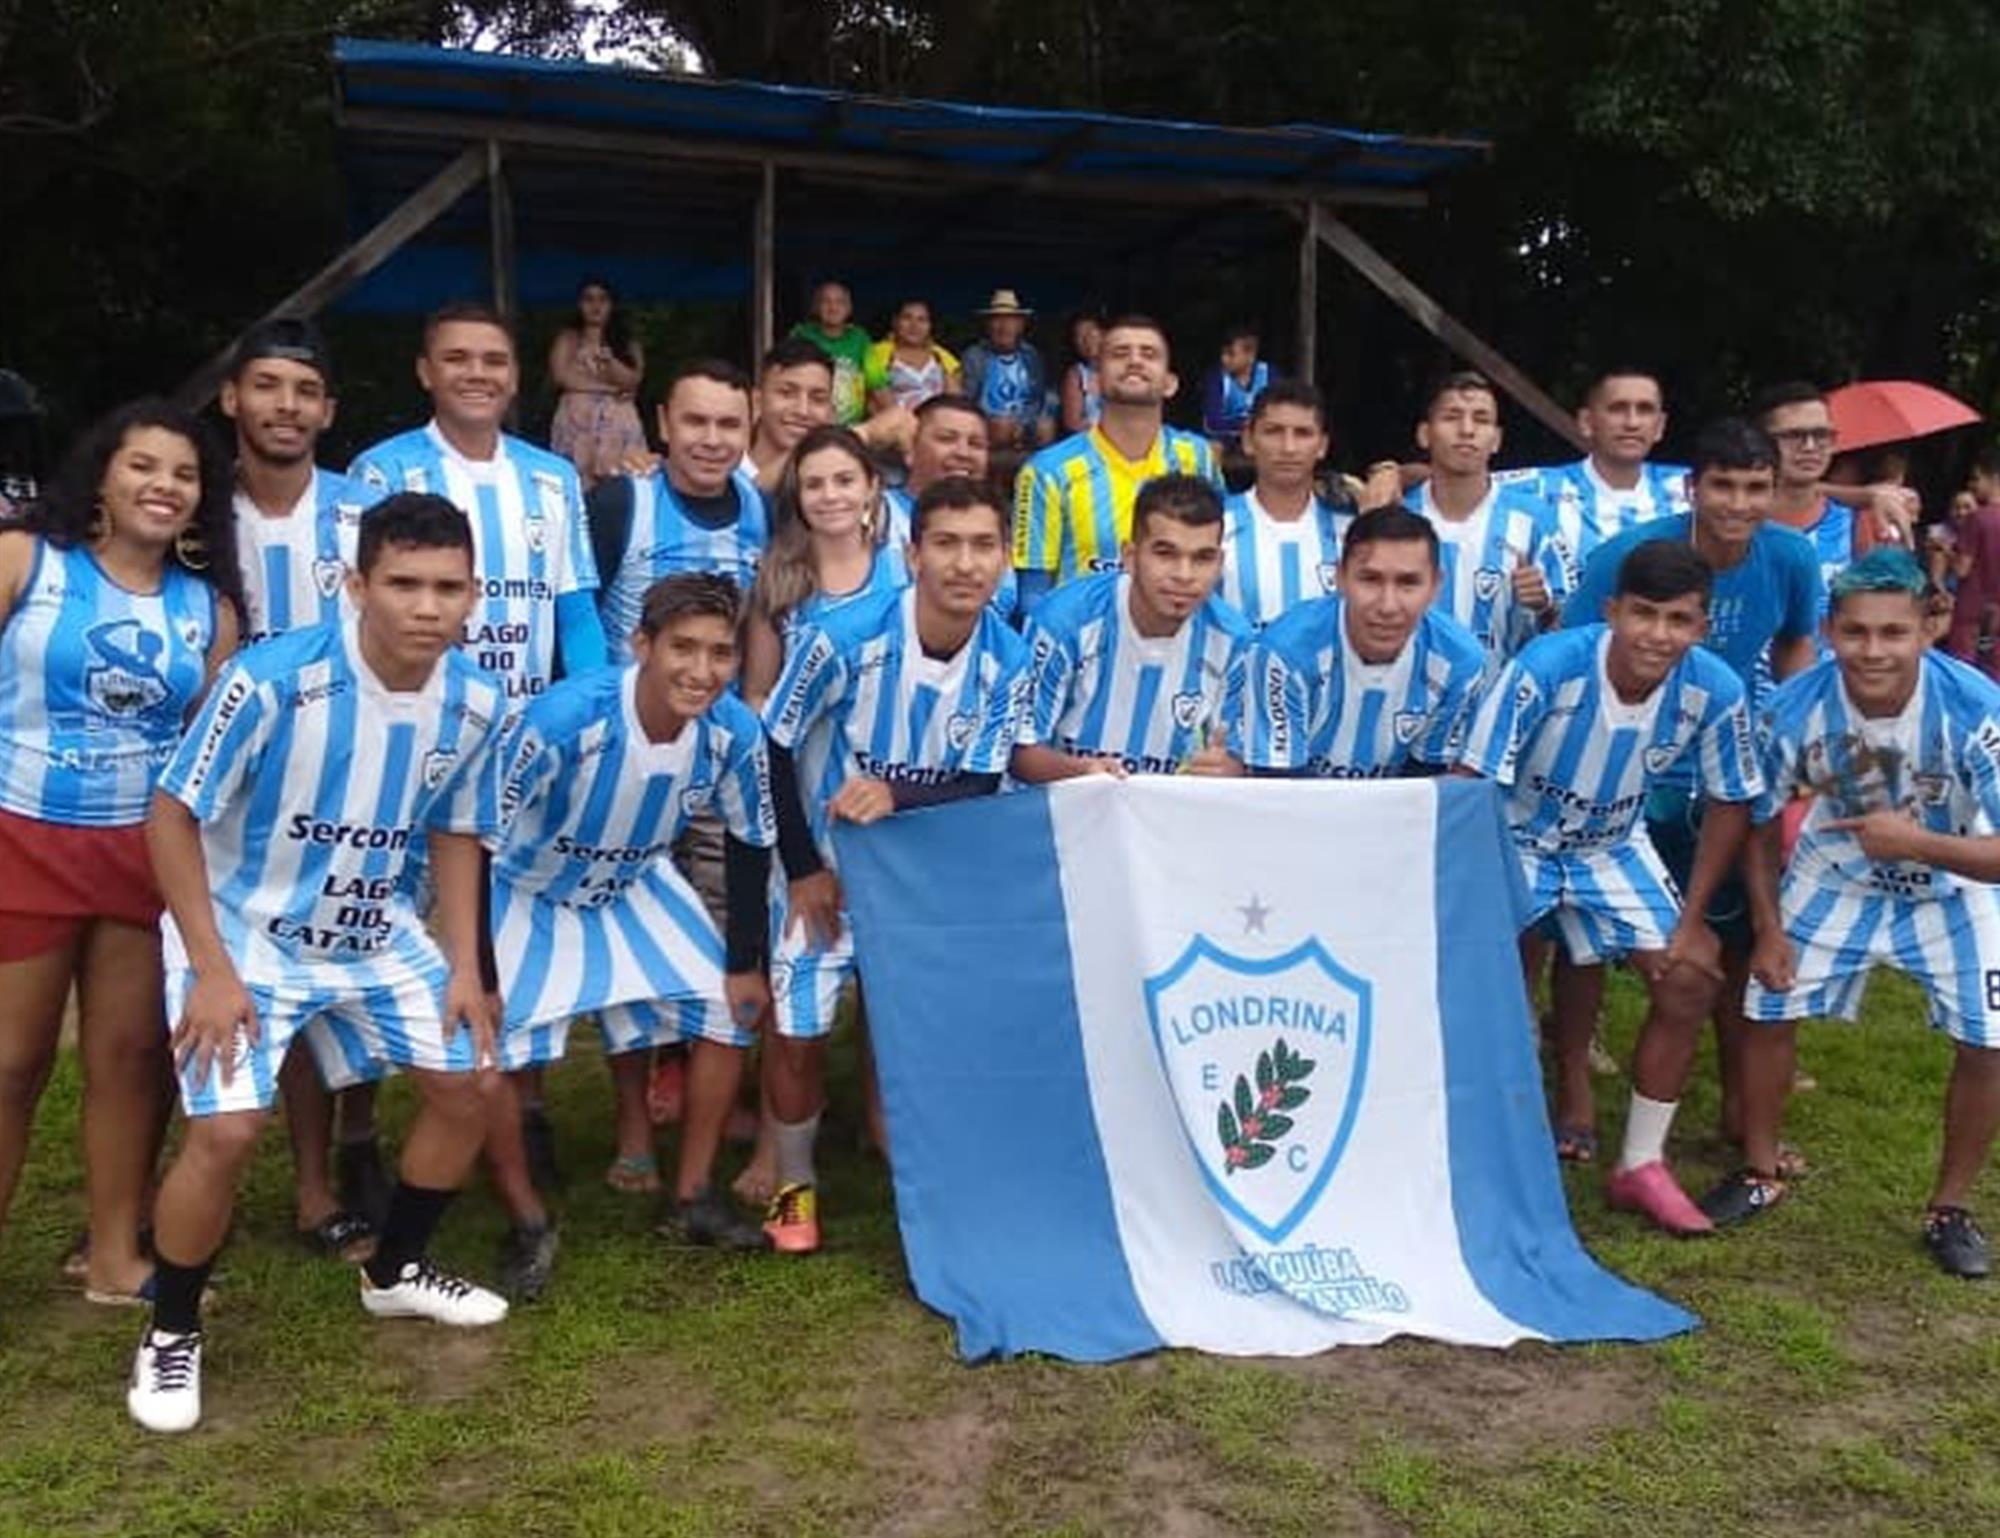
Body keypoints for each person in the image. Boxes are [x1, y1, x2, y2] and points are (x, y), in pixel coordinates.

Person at [127, 494, 510, 1435]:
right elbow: (170, 816)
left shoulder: (476, 701)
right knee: (225, 1133)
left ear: (474, 596)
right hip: (246, 934)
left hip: (374, 930)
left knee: (470, 1087)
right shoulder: (271, 680)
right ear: (356, 584)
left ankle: (395, 1271)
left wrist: (466, 964)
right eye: (404, 584)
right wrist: (212, 970)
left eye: (447, 588)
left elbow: (460, 830)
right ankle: (171, 1328)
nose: (427, 607)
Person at [0, 400, 241, 1305]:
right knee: (11, 1066)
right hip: (19, 836)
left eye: (183, 475)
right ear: (102, 473)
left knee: (129, 1063)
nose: (163, 486)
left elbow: (207, 756)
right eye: (143, 466)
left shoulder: (207, 611)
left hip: (140, 859)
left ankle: (113, 1259)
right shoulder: (25, 560)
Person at [758, 476, 1031, 1254]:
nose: (965, 563)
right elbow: (773, 745)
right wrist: (804, 867)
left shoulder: (1009, 661)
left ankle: (928, 1173)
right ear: (912, 554)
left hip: (928, 882)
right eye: (946, 543)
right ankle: (791, 1192)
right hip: (826, 875)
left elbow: (979, 778)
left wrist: (892, 791)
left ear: (1004, 560)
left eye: (983, 545)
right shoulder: (840, 639)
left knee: (928, 1028)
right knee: (801, 1030)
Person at [484, 574, 777, 1295]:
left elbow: (749, 839)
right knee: (487, 1051)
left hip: (633, 882)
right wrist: (476, 968)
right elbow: (477, 832)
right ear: (641, 645)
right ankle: (525, 1220)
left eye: (720, 652)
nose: (702, 671)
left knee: (728, 1010)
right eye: (682, 648)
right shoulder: (563, 718)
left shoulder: (734, 731)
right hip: (530, 890)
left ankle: (692, 1198)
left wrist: (744, 963)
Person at [1461, 540, 1765, 1235]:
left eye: (1679, 619)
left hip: (1610, 846)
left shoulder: (1715, 689)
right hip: (1517, 837)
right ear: (1611, 611)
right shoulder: (1548, 666)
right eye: (1644, 614)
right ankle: (1483, 1144)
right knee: (1484, 981)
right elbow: (1474, 777)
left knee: (1691, 975)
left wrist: (1691, 917)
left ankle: (1640, 1164)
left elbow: (1731, 800)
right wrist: (1476, 893)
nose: (1659, 635)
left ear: (1702, 626)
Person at [1731, 551, 2000, 1276]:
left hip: (1952, 883)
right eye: (1855, 633)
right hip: (1836, 876)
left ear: (1927, 629)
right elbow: (1759, 820)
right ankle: (1759, 1171)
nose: (1873, 651)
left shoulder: (1977, 708)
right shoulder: (1792, 706)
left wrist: (1919, 842)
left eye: (1893, 632)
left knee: (1990, 1039)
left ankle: (1950, 1207)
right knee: (1767, 1006)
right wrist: (1768, 928)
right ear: (1828, 630)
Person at [1562, 420, 1825, 1162]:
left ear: (1774, 492)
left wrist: (1787, 721)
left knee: (1735, 938)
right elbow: (1577, 649)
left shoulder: (1790, 557)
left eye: (1754, 487)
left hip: (1728, 772)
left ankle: (1743, 1109)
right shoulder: (1630, 558)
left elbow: (1798, 639)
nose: (1738, 503)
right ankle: (1575, 1091)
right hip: (1627, 774)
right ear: (1692, 487)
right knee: (1582, 943)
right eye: (1723, 485)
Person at [220, 318, 383, 1262]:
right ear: (232, 398)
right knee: (224, 986)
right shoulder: (200, 509)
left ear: (327, 409)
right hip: (227, 792)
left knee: (339, 985)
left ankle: (336, 1171)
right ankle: (201, 1172)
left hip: (351, 785)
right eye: (267, 386)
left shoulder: (364, 509)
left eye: (303, 391)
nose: (286, 406)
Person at [349, 302, 608, 710]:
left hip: (525, 729)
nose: (477, 373)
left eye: (494, 361)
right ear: (425, 372)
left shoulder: (556, 478)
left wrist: (591, 708)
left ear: (515, 377)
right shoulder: (382, 472)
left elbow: (576, 615)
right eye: (456, 359)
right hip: (415, 722)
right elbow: (358, 610)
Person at [1010, 474, 1248, 781]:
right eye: (1165, 554)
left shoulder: (1234, 640)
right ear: (1130, 557)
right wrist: (1083, 773)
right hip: (1067, 816)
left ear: (1220, 563)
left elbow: (1240, 758)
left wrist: (1231, 768)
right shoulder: (1064, 621)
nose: (1184, 574)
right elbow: (1019, 752)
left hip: (1168, 821)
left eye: (1203, 558)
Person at [1231, 506, 1485, 778]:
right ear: (1340, 577)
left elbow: (1425, 784)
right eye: (1371, 580)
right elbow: (1277, 784)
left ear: (1436, 585)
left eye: (1408, 583)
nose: (1388, 605)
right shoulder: (1284, 653)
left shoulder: (1460, 661)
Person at [1014, 315, 1221, 606]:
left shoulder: (1197, 458)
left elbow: (1217, 560)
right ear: (1095, 382)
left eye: (1148, 354)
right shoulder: (1047, 471)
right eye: (1120, 354)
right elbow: (1033, 593)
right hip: (1081, 648)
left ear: (1170, 383)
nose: (1135, 361)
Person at [1402, 371, 1574, 673]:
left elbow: (1572, 631)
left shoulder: (1534, 521)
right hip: (1406, 707)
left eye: (1481, 419)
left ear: (1496, 440)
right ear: (1424, 434)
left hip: (1498, 708)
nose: (1467, 430)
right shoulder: (1398, 516)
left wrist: (1544, 606)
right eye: (1452, 417)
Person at [591, 359, 766, 644]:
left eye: (729, 425)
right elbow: (575, 621)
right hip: (625, 687)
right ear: (664, 423)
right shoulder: (620, 504)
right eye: (695, 421)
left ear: (749, 430)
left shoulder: (762, 509)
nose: (712, 440)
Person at [743, 426, 906, 704]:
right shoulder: (778, 581)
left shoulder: (904, 570)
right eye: (814, 485)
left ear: (871, 487)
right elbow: (758, 695)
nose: (830, 496)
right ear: (798, 496)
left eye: (844, 481)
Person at [1219, 380, 1367, 628]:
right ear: (1248, 440)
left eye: (1303, 433)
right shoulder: (1216, 527)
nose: (1288, 448)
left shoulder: (1351, 533)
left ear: (1322, 446)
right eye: (1274, 431)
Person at [1509, 368, 1690, 565]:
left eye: (1644, 409)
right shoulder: (1534, 489)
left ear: (1660, 426)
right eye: (1617, 409)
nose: (1632, 423)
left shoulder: (1692, 490)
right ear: (1587, 422)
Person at [881, 394, 1016, 622]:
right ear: (910, 451)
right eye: (946, 439)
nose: (963, 453)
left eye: (976, 444)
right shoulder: (875, 512)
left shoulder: (996, 521)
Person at [1754, 381, 1871, 601]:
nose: (1809, 446)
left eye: (1821, 435)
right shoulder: (1729, 520)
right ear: (1761, 442)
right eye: (1793, 435)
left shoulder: (1856, 523)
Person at [547, 278, 647, 488]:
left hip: (617, 422)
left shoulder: (626, 341)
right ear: (579, 305)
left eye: (602, 299)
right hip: (577, 420)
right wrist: (608, 389)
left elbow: (632, 380)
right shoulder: (569, 338)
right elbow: (561, 376)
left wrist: (610, 363)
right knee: (576, 481)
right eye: (589, 299)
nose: (595, 306)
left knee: (622, 481)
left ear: (612, 305)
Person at [744, 338, 836, 496]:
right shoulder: (724, 472)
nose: (802, 411)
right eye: (787, 393)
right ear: (757, 402)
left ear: (831, 414)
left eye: (818, 399)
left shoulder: (833, 492)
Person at [960, 289, 1050, 451]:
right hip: (989, 423)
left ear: (1020, 325)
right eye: (997, 320)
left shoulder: (1031, 355)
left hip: (1025, 422)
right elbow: (968, 400)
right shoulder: (975, 355)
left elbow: (1039, 397)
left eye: (1010, 320)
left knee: (1045, 426)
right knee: (1002, 426)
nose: (1004, 326)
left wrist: (1022, 423)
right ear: (988, 325)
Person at [1945, 449, 2000, 677]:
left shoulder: (1977, 519)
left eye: (1977, 478)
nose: (1972, 485)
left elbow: (1962, 568)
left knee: (1966, 679)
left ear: (1994, 478)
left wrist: (1945, 551)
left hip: (1972, 616)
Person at [788, 280, 870, 426]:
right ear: (816, 307)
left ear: (849, 308)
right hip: (810, 423)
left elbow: (876, 383)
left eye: (840, 302)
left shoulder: (860, 338)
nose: (833, 307)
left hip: (851, 428)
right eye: (826, 301)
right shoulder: (801, 334)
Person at [864, 299, 960, 414]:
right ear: (895, 322)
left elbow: (954, 400)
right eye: (907, 318)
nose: (914, 325)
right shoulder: (877, 354)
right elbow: (871, 402)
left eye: (922, 320)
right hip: (894, 425)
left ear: (930, 326)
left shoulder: (940, 356)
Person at [1200, 324, 1270, 453]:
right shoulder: (1216, 378)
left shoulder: (1268, 374)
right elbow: (1211, 423)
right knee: (1213, 447)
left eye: (1231, 354)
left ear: (1250, 355)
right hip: (1225, 438)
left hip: (1259, 435)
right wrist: (1245, 425)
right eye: (1223, 353)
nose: (1224, 359)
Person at [1059, 312, 1103, 435]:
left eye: (1090, 332)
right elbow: (1073, 423)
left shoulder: (1121, 368)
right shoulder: (1076, 375)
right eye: (1079, 336)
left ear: (1104, 334)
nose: (1086, 339)